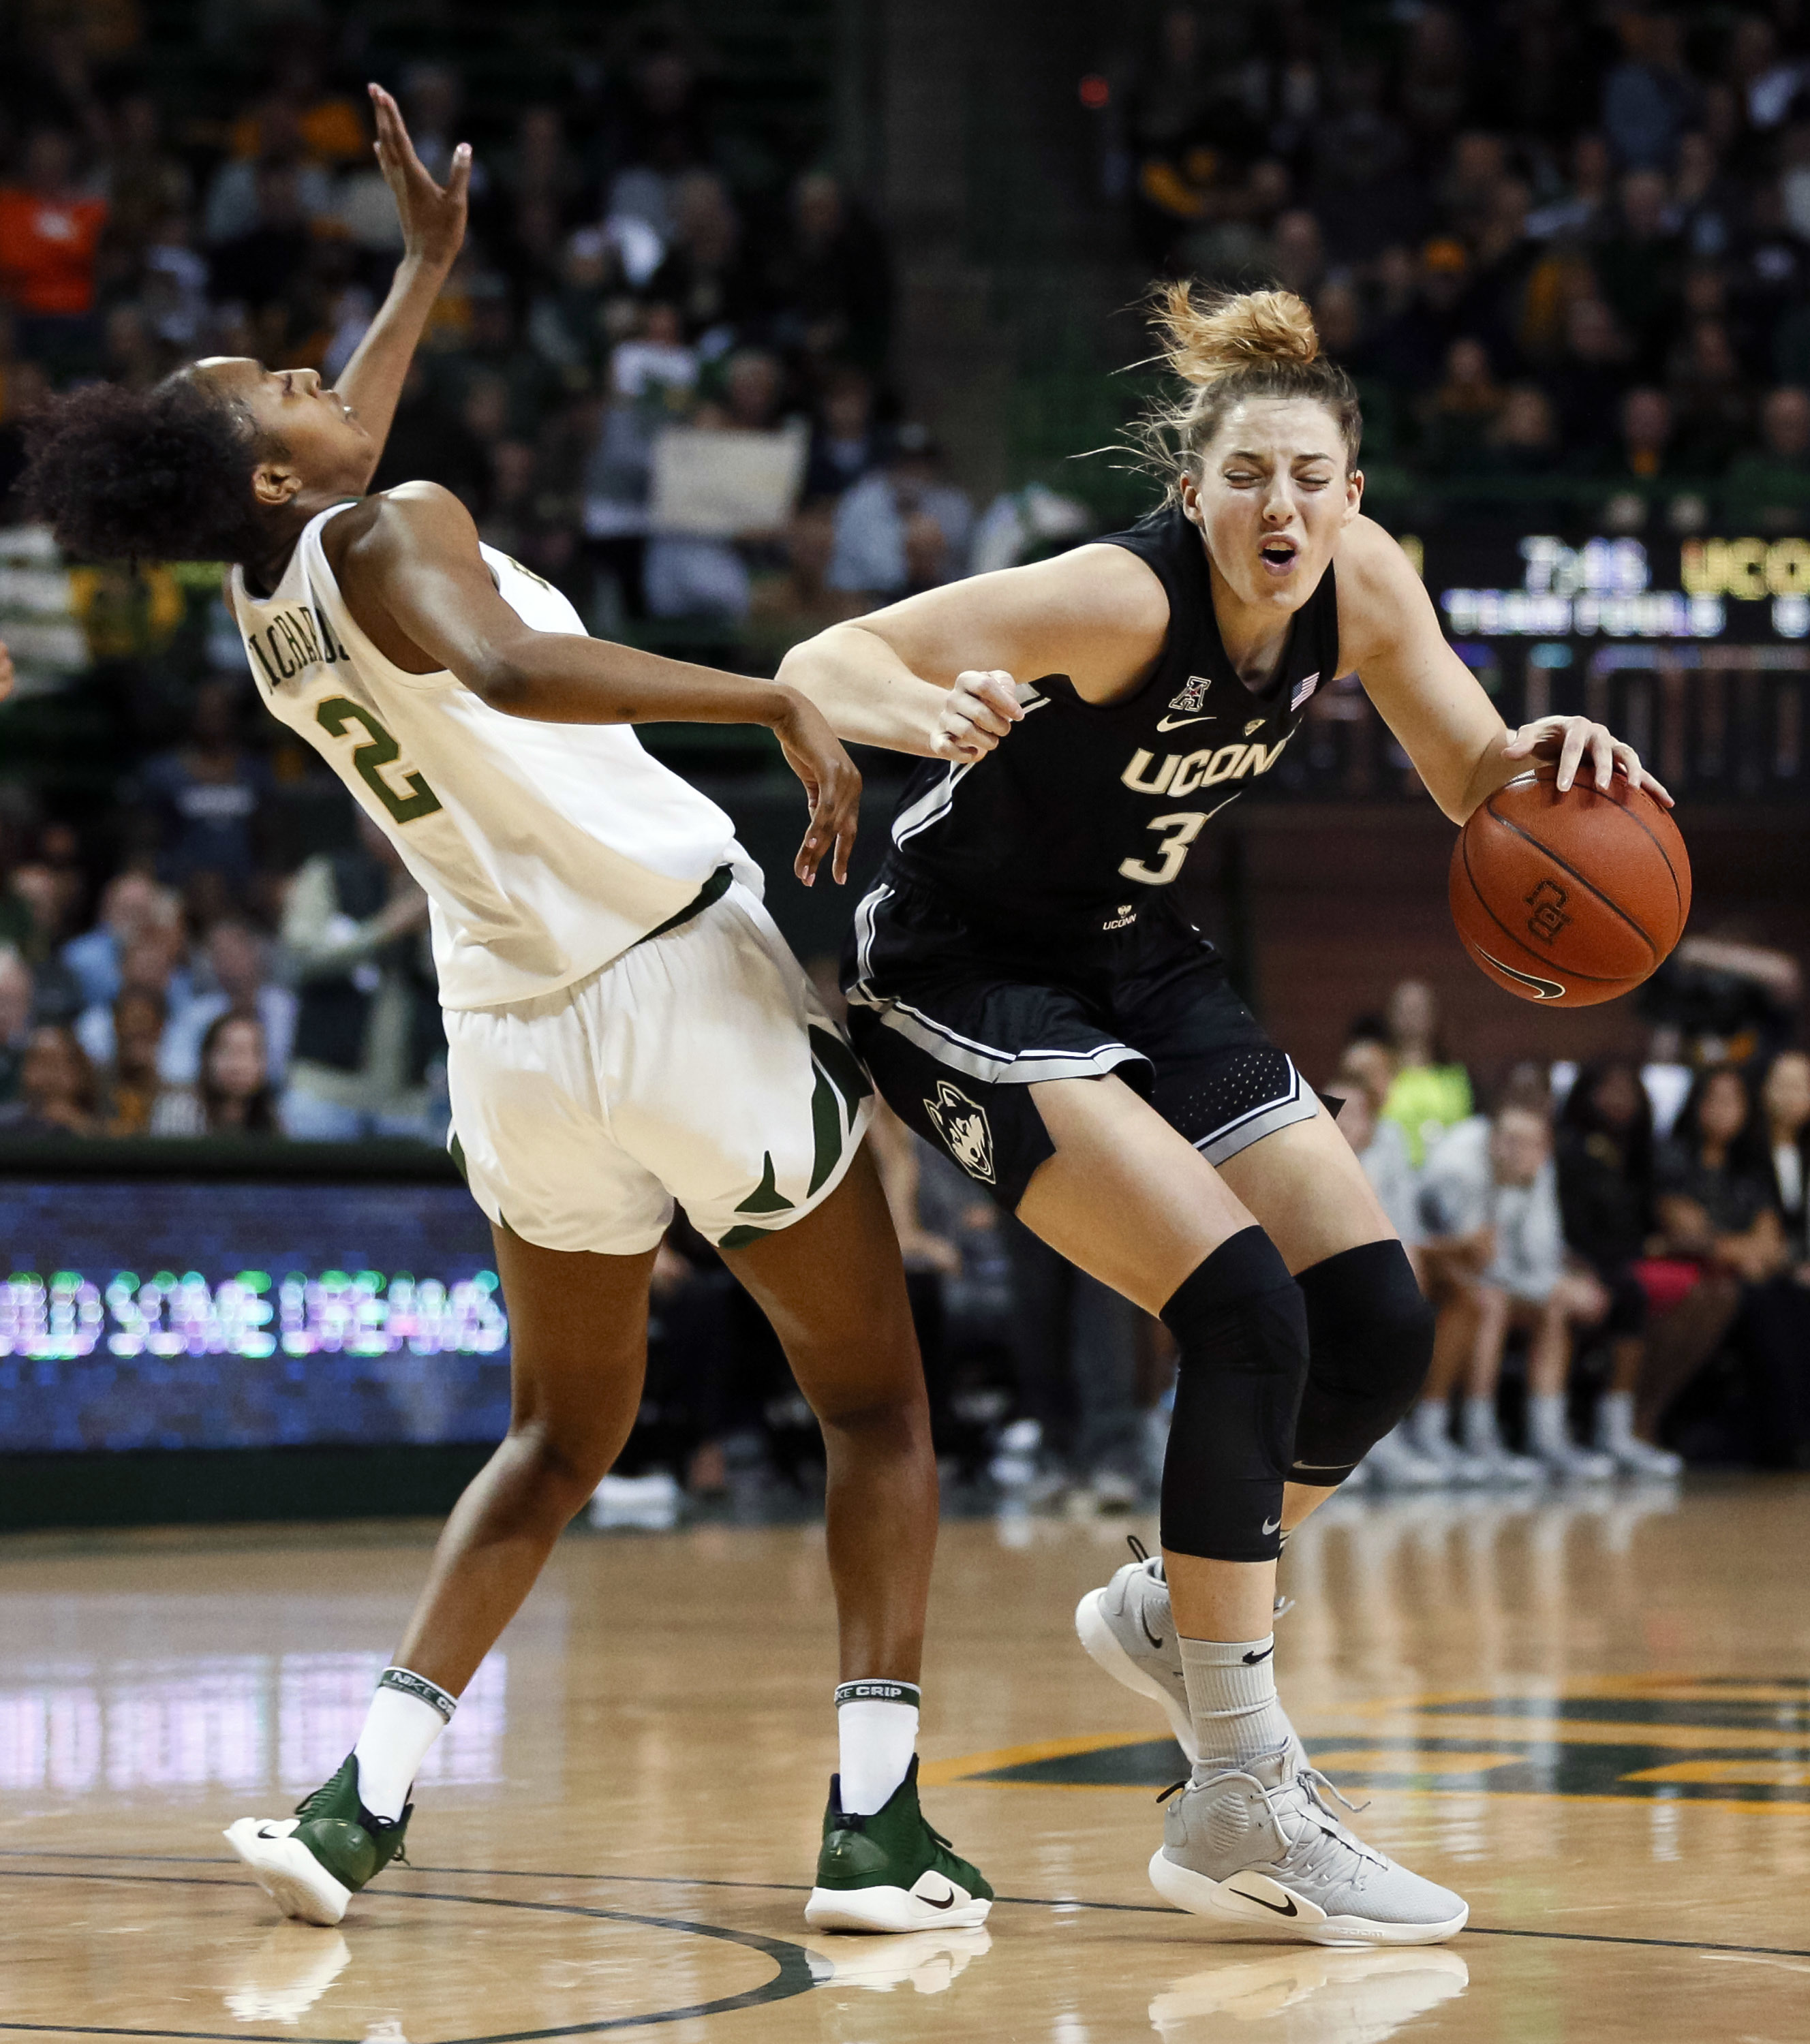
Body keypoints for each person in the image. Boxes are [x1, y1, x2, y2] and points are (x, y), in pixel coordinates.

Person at [19, 84, 987, 1938]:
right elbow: (510, 658)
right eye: (284, 382)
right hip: (677, 981)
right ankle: (876, 1830)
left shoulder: (269, 588)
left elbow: (340, 474)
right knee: (877, 1414)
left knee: (555, 1442)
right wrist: (773, 697)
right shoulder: (399, 525)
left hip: (519, 1051)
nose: (319, 374)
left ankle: (354, 1803)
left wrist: (422, 272)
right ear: (288, 472)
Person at [780, 281, 1668, 1940]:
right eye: (1247, 475)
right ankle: (1233, 1795)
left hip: (1135, 956)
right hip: (965, 974)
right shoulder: (1118, 597)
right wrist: (901, 707)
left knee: (1375, 1326)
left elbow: (1474, 778)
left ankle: (1161, 1610)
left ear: (1351, 491)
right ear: (1194, 493)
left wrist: (1537, 755)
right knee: (1240, 1312)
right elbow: (829, 654)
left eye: (1311, 476)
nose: (1282, 506)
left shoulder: (1367, 582)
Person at [1554, 1058, 1683, 1476]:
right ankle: (1578, 1430)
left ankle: (1619, 1428)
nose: (1619, 1101)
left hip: (1626, 1263)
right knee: (1627, 1293)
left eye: (1628, 1091)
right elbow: (1569, 1225)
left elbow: (1646, 1218)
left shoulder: (1641, 1151)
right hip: (1580, 1262)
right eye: (1609, 1089)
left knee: (1637, 1293)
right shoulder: (1570, 1148)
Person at [150, 1010, 279, 1134]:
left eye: (248, 1052)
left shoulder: (274, 1120)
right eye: (227, 1051)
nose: (237, 1065)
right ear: (206, 1058)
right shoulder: (179, 1112)